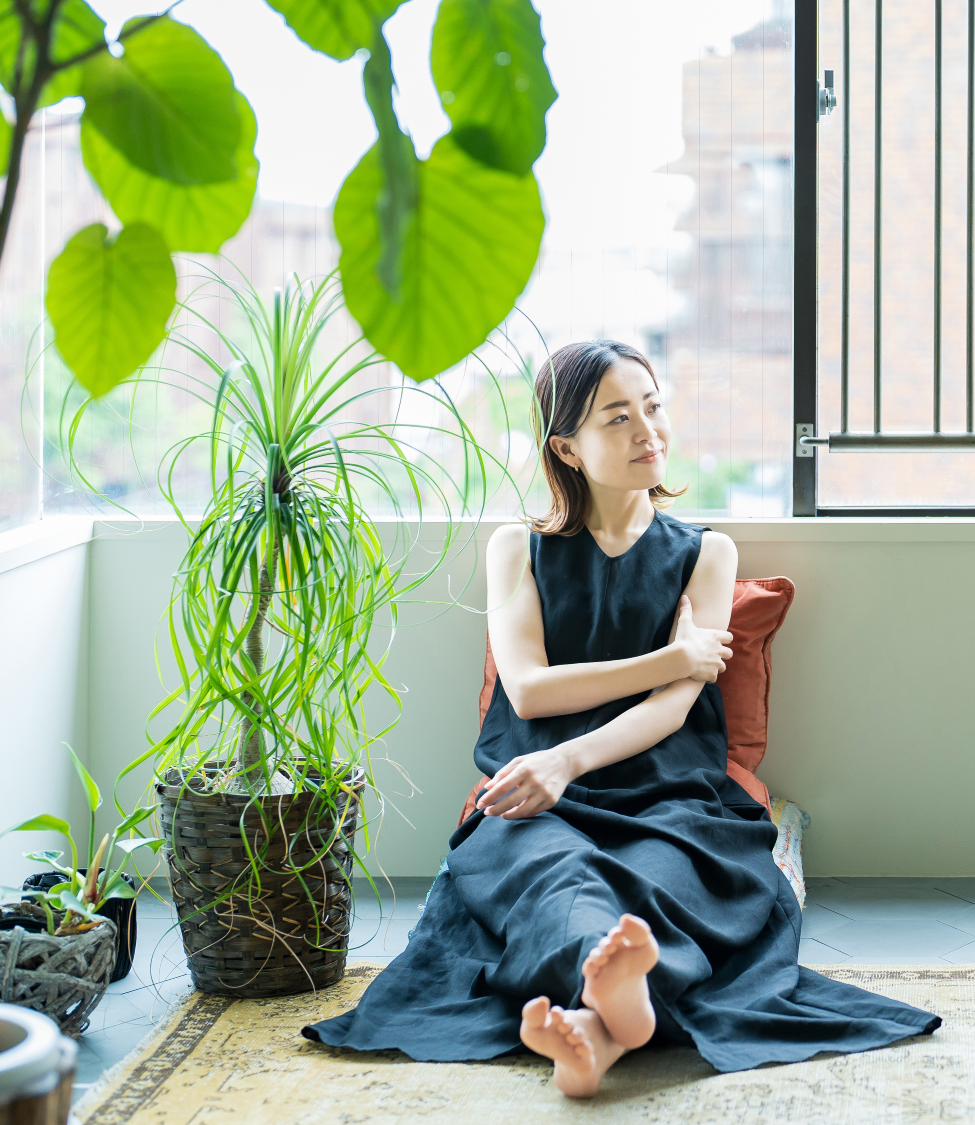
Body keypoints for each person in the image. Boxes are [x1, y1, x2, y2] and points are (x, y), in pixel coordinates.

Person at [304, 341, 940, 1095]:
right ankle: (612, 1013)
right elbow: (533, 690)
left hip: (672, 795)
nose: (650, 430)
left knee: (660, 879)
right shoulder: (518, 547)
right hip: (536, 795)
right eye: (618, 416)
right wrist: (671, 660)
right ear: (566, 446)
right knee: (562, 876)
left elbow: (673, 715)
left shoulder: (706, 552)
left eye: (653, 405)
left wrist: (574, 755)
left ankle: (602, 1032)